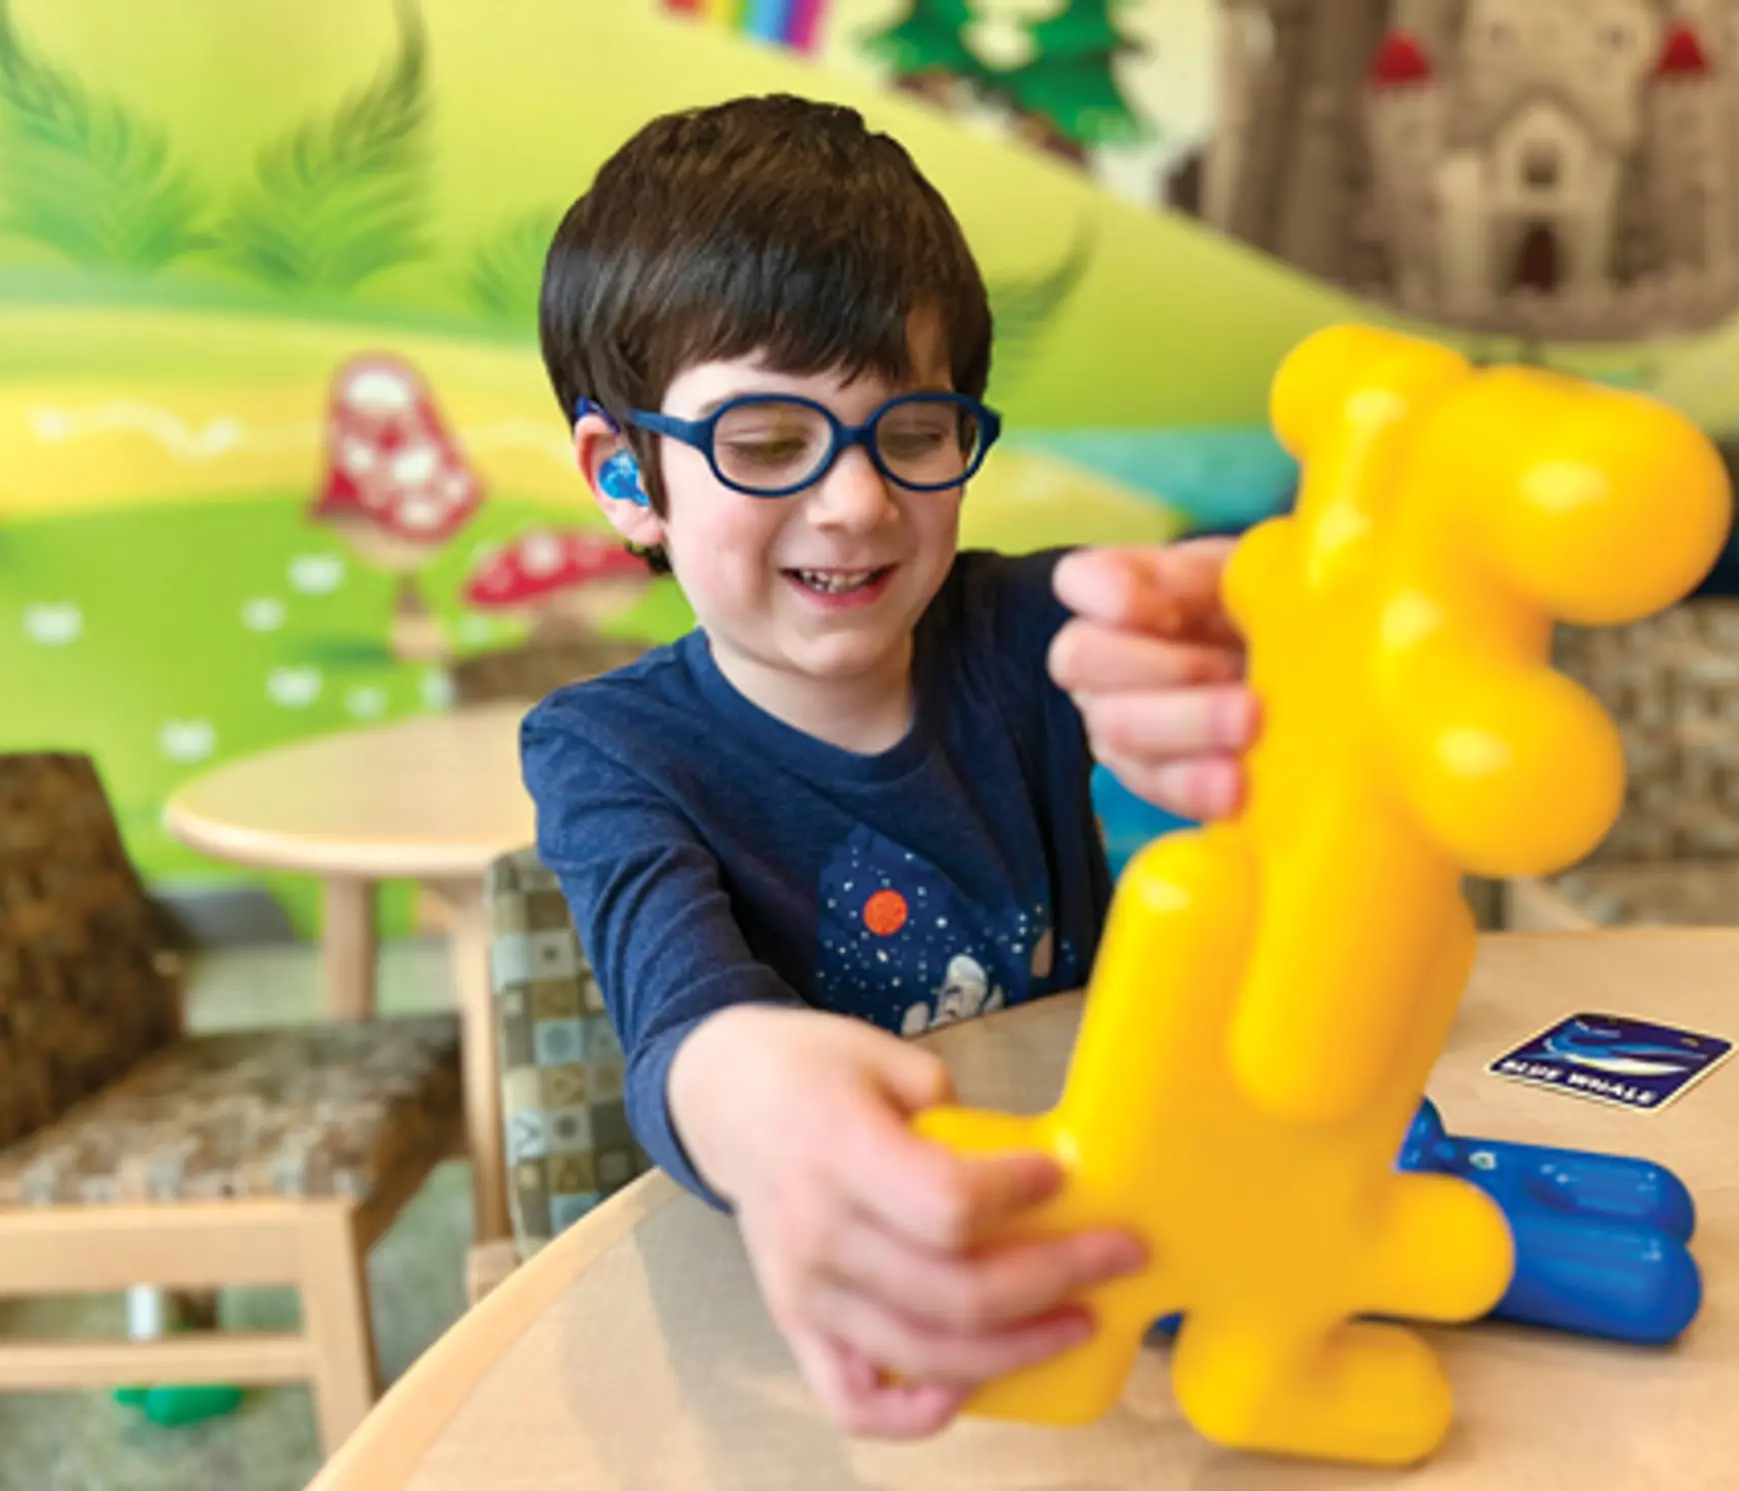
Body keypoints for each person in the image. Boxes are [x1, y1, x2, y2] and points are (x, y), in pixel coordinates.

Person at [522, 92, 1255, 1439]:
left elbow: (1225, 599)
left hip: (1078, 1260)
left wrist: (1268, 623)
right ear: (627, 475)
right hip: (814, 1326)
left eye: (912, 432)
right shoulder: (607, 748)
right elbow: (680, 1017)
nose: (856, 500)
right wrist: (769, 1110)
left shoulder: (1022, 630)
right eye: (764, 442)